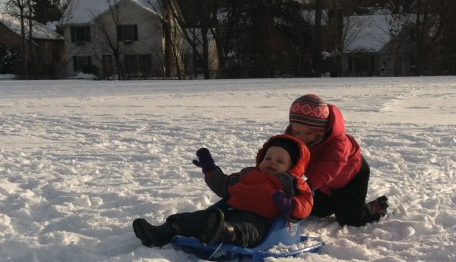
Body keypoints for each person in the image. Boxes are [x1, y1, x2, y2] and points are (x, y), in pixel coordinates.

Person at [133, 134, 313, 248]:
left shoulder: (291, 183)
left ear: (293, 167)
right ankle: (161, 233)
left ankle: (226, 232)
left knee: (248, 230)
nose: (271, 162)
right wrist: (210, 170)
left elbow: (306, 203)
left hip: (262, 221)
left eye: (280, 161)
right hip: (228, 212)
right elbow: (224, 185)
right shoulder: (248, 174)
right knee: (196, 217)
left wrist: (291, 205)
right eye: (268, 157)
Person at [284, 93, 388, 227]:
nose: (301, 137)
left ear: (320, 130)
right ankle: (335, 203)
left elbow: (329, 168)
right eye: (296, 132)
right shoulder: (296, 138)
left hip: (351, 179)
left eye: (308, 133)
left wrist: (308, 186)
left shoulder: (339, 144)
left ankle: (375, 208)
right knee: (316, 209)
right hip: (326, 184)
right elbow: (287, 156)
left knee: (350, 220)